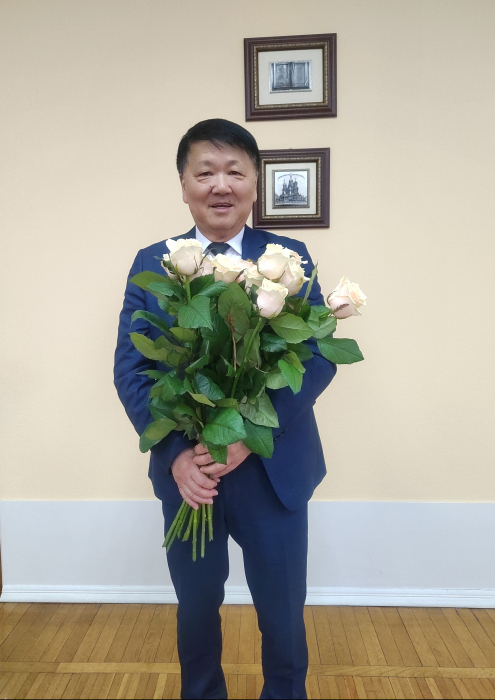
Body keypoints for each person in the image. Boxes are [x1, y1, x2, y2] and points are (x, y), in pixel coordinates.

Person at [114, 118, 337, 700]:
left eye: (235, 172)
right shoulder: (154, 262)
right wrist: (174, 455)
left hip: (271, 470)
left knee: (283, 612)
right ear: (184, 185)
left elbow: (315, 359)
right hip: (192, 475)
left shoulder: (289, 259)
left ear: (255, 184)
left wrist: (245, 436)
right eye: (205, 172)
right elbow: (132, 370)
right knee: (195, 609)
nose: (220, 185)